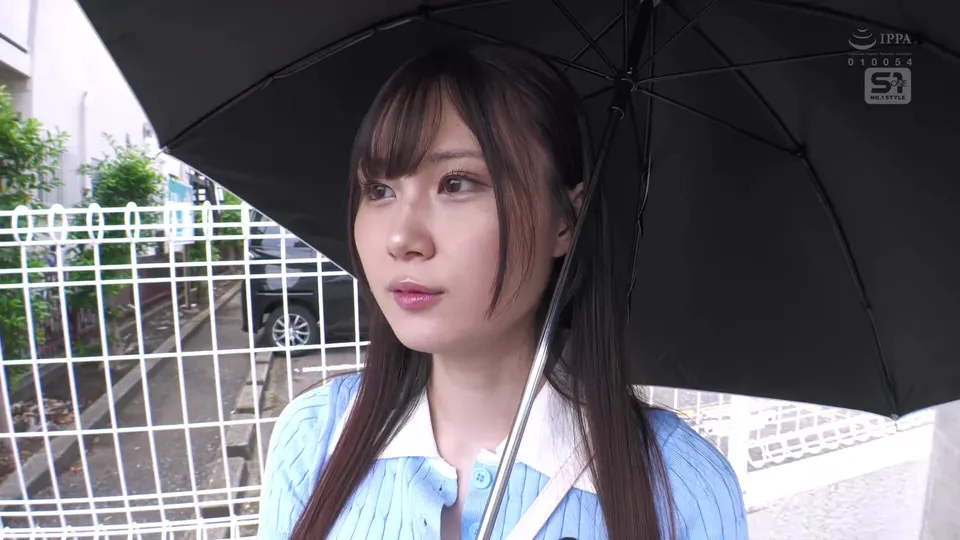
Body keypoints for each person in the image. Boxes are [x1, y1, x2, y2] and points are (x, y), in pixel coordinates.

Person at [258, 44, 748, 540]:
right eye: (379, 190)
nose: (401, 238)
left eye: (456, 183)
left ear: (566, 220)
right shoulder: (314, 440)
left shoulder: (679, 485)